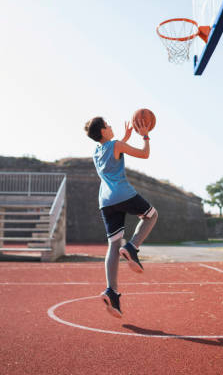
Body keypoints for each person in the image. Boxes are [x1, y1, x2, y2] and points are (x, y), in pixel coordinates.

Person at [84, 116, 158, 318]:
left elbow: (113, 153)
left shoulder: (97, 151)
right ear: (102, 132)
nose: (110, 126)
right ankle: (133, 247)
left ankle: (112, 293)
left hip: (106, 202)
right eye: (107, 125)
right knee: (151, 215)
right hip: (123, 194)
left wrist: (124, 138)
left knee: (113, 246)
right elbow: (144, 154)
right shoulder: (116, 145)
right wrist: (145, 136)